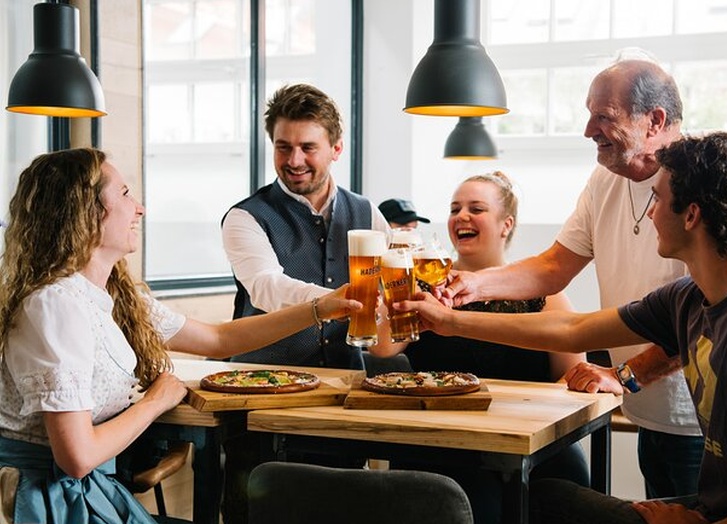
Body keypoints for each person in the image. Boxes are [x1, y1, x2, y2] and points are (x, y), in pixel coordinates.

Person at [399, 132, 727, 524]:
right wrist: (451, 320)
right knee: (542, 498)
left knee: (541, 504)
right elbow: (574, 330)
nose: (649, 213)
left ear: (691, 215)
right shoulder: (694, 296)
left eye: (657, 198)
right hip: (720, 506)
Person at [0, 148, 361, 524]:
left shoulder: (111, 295)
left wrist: (322, 308)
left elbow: (219, 340)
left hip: (84, 493)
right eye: (124, 194)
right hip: (42, 504)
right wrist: (155, 401)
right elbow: (76, 458)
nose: (139, 208)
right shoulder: (55, 305)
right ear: (85, 212)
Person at [439, 56, 704, 498]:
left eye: (604, 117)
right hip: (647, 409)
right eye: (588, 114)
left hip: (696, 417)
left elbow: (700, 319)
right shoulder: (605, 180)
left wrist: (625, 375)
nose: (588, 130)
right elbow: (553, 266)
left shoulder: (698, 181)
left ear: (654, 121)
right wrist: (473, 286)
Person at [219, 83, 391, 524]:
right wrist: (337, 300)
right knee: (255, 512)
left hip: (342, 394)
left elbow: (391, 287)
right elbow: (266, 287)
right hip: (261, 396)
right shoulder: (245, 217)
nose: (294, 160)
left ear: (336, 148)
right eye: (283, 147)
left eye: (307, 148)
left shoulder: (368, 213)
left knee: (342, 511)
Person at [380, 172, 589, 523]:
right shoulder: (427, 285)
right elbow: (382, 349)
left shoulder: (544, 293)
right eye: (454, 208)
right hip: (441, 445)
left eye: (476, 208)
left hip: (531, 444)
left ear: (506, 224)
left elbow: (574, 377)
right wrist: (397, 285)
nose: (461, 216)